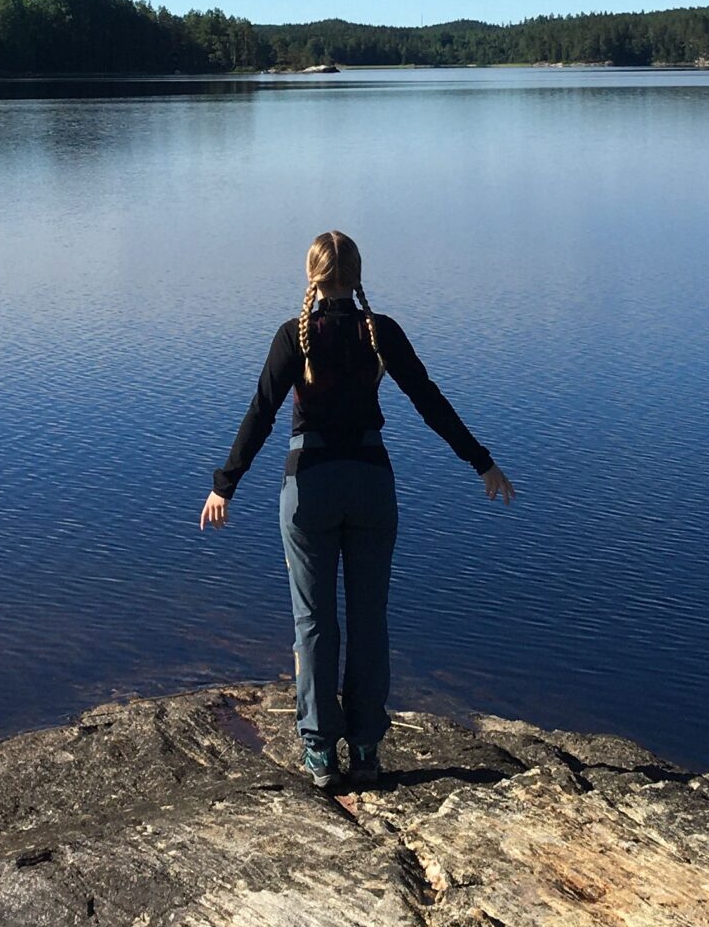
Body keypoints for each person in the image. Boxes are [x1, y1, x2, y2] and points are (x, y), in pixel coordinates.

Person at [200, 229, 514, 791]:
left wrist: (226, 484)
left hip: (310, 488)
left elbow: (261, 413)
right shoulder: (381, 332)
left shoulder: (292, 336)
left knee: (314, 623)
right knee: (369, 619)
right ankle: (366, 747)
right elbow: (429, 400)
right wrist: (482, 463)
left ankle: (320, 754)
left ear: (311, 276)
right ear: (358, 276)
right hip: (371, 484)